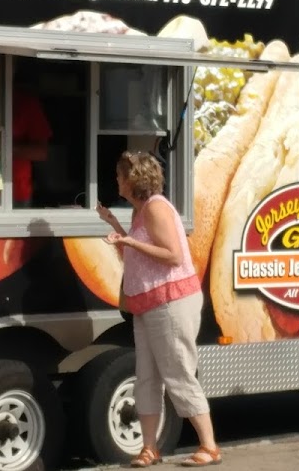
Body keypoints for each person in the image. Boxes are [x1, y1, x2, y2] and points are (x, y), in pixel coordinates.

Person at [95, 151, 221, 468]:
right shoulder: (140, 211)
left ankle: (209, 445)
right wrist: (113, 224)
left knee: (178, 372)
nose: (117, 180)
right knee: (147, 378)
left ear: (133, 179)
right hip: (148, 304)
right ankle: (149, 448)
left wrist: (131, 243)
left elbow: (173, 256)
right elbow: (139, 259)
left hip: (170, 302)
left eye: (120, 175)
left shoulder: (155, 208)